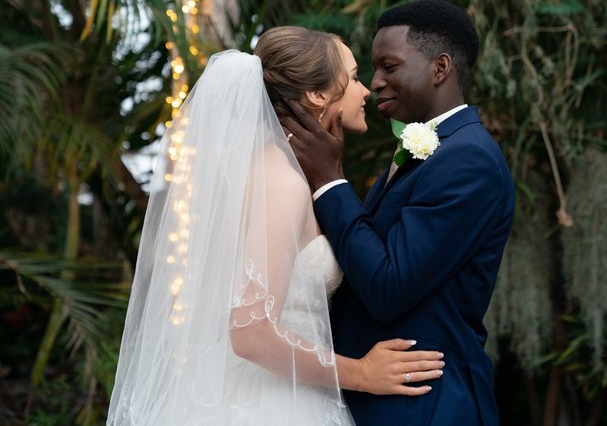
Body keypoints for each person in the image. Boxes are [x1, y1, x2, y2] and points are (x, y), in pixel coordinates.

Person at [107, 26, 444, 425]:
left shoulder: (280, 171)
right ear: (317, 95)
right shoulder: (281, 181)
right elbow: (250, 332)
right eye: (354, 78)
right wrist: (362, 373)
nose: (365, 91)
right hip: (270, 403)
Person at [280, 0, 515, 425]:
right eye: (372, 70)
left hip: (424, 404)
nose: (375, 83)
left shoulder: (469, 159)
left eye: (389, 67)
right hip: (372, 400)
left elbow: (388, 286)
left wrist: (330, 181)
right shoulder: (428, 151)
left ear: (440, 68)